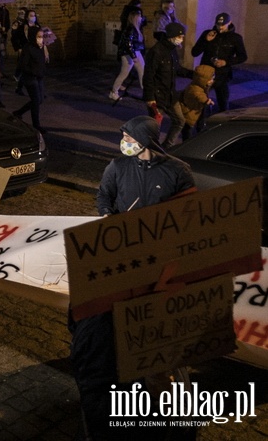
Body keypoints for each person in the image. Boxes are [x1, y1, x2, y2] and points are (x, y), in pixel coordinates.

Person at [71, 116, 195, 440]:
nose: (123, 141)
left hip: (159, 263)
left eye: (127, 136)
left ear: (144, 139)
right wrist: (108, 219)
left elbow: (189, 214)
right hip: (123, 255)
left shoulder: (177, 171)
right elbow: (103, 198)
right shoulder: (116, 167)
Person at [142, 22, 191, 148]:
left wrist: (194, 74)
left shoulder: (172, 50)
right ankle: (149, 153)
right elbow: (148, 75)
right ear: (172, 36)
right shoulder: (156, 52)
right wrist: (149, 97)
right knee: (154, 128)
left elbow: (177, 69)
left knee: (179, 121)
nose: (182, 39)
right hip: (158, 97)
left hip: (170, 95)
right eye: (180, 36)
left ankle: (166, 147)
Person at [191, 12, 247, 113]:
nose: (220, 27)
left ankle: (221, 123)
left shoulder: (236, 38)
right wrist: (206, 40)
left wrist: (226, 62)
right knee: (200, 102)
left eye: (223, 25)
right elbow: (194, 52)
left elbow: (243, 56)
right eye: (218, 25)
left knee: (223, 103)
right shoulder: (208, 33)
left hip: (223, 75)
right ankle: (199, 124)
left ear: (229, 22)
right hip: (206, 74)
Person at [12, 27, 47, 133]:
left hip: (39, 77)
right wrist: (33, 71)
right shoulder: (28, 48)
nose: (41, 39)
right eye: (39, 37)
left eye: (42, 37)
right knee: (36, 100)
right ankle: (36, 125)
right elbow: (23, 65)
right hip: (30, 78)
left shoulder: (40, 47)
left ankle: (18, 112)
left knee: (39, 100)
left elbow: (41, 62)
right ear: (33, 37)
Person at [109, 7, 146, 100]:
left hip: (135, 51)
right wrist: (133, 56)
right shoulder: (131, 29)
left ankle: (146, 91)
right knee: (124, 73)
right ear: (135, 17)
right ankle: (114, 92)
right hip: (128, 53)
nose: (141, 17)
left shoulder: (136, 28)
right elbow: (128, 43)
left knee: (142, 70)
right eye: (139, 16)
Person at [180, 64, 215, 139]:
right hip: (189, 112)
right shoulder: (195, 88)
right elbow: (199, 95)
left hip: (194, 110)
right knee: (187, 128)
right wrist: (207, 101)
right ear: (203, 80)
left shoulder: (200, 86)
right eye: (210, 79)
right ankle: (187, 142)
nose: (212, 81)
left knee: (194, 125)